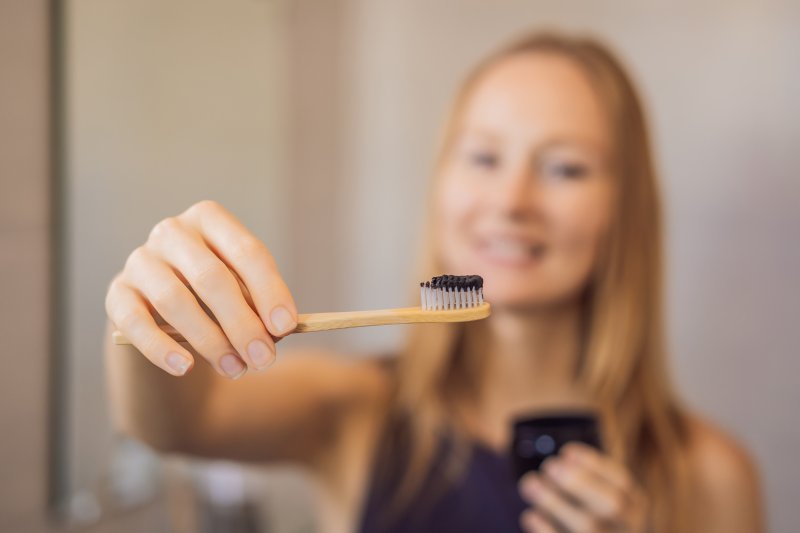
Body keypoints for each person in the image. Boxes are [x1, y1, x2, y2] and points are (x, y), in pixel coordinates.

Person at [104, 31, 764, 532]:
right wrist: (152, 312)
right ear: (441, 181)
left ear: (627, 206)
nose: (511, 198)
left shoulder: (711, 475)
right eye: (482, 156)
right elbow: (170, 423)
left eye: (564, 168)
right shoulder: (349, 408)